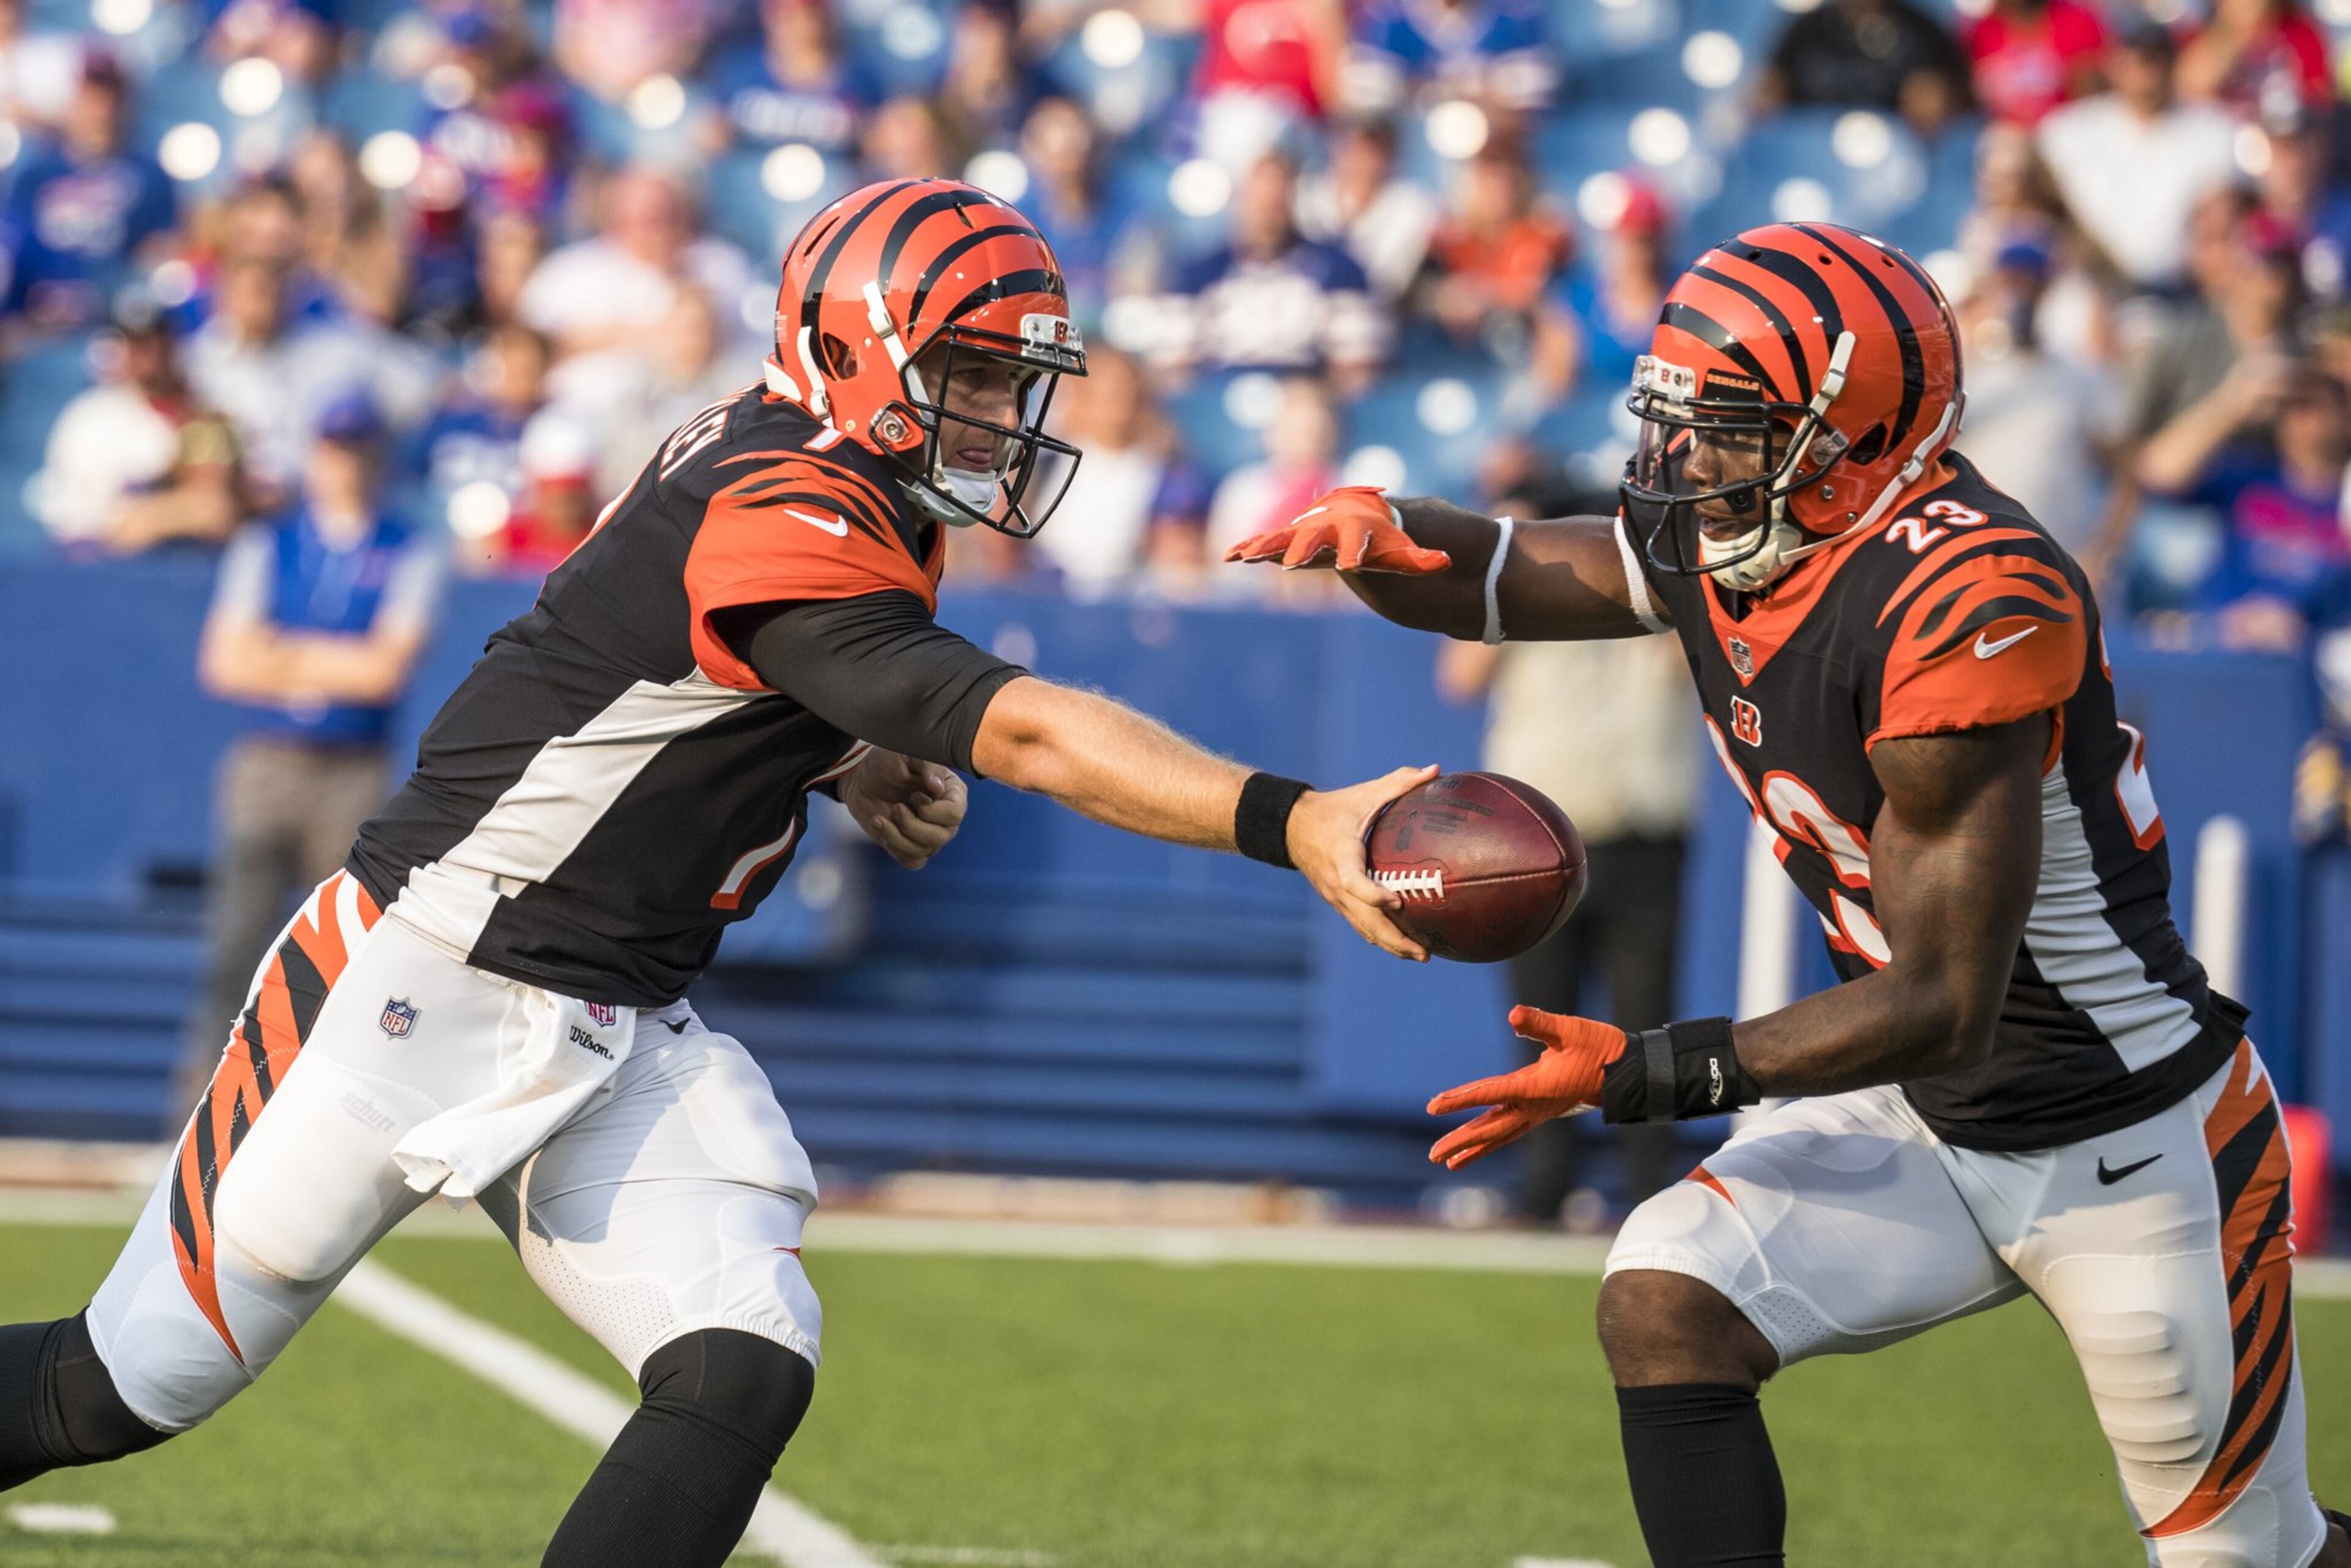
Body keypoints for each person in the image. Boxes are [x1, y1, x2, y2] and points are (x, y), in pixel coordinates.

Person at [0, 179, 1429, 1568]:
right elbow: (1030, 730)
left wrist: (832, 750)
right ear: (858, 346)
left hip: (607, 1016)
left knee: (743, 1355)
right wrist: (1293, 819)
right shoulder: (783, 498)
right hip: (418, 977)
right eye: (971, 373)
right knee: (123, 1384)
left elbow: (673, 669)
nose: (997, 413)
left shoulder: (802, 456)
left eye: (1009, 380)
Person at [1229, 221, 2350, 1568]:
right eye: (1685, 421)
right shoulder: (1743, 528)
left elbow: (1942, 996)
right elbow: (1514, 570)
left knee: (2252, 1554)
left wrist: (1649, 1070)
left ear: (1862, 440)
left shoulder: (1965, 594)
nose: (1693, 459)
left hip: (2126, 1135)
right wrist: (1388, 538)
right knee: (1666, 1292)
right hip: (1936, 1117)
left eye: (1738, 428)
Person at [1433, 457, 1694, 1226]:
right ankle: (1544, 1187)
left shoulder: (1667, 587)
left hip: (1640, 824)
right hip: (1540, 834)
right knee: (1541, 1023)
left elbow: (1698, 662)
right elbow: (1460, 671)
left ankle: (1650, 1194)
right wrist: (1508, 557)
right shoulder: (1523, 590)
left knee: (1649, 1027)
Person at [170, 392, 441, 1122]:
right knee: (235, 944)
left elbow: (386, 668)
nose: (344, 463)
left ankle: (320, 1124)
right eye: (333, 447)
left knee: (346, 961)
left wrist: (281, 653)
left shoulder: (405, 547)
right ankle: (197, 1118)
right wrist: (334, 662)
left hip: (349, 769)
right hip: (269, 761)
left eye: (356, 449)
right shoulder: (272, 542)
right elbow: (225, 661)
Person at [2035, 23, 2240, 294]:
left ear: (2173, 64)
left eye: (2153, 60)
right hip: (2093, 285)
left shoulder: (2215, 131)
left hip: (2187, 290)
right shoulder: (2068, 132)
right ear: (2113, 64)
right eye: (2133, 61)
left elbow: (2222, 223)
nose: (2144, 74)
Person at [35, 295, 241, 555]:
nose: (150, 352)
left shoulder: (210, 411)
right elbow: (76, 525)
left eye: (157, 339)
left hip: (194, 567)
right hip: (110, 570)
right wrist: (171, 512)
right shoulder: (89, 419)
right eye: (138, 343)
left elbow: (220, 511)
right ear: (119, 348)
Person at [1, 51, 175, 327]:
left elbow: (158, 257)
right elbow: (14, 249)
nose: (101, 111)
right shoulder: (35, 176)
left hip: (116, 317)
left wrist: (100, 295)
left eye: (111, 99)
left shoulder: (149, 175)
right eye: (91, 98)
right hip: (36, 315)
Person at [1755, 0, 1971, 136]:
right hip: (1813, 166)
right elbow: (1769, 92)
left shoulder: (1924, 31)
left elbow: (1962, 102)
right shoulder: (1806, 28)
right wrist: (1766, 100)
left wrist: (1939, 101)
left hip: (1897, 174)